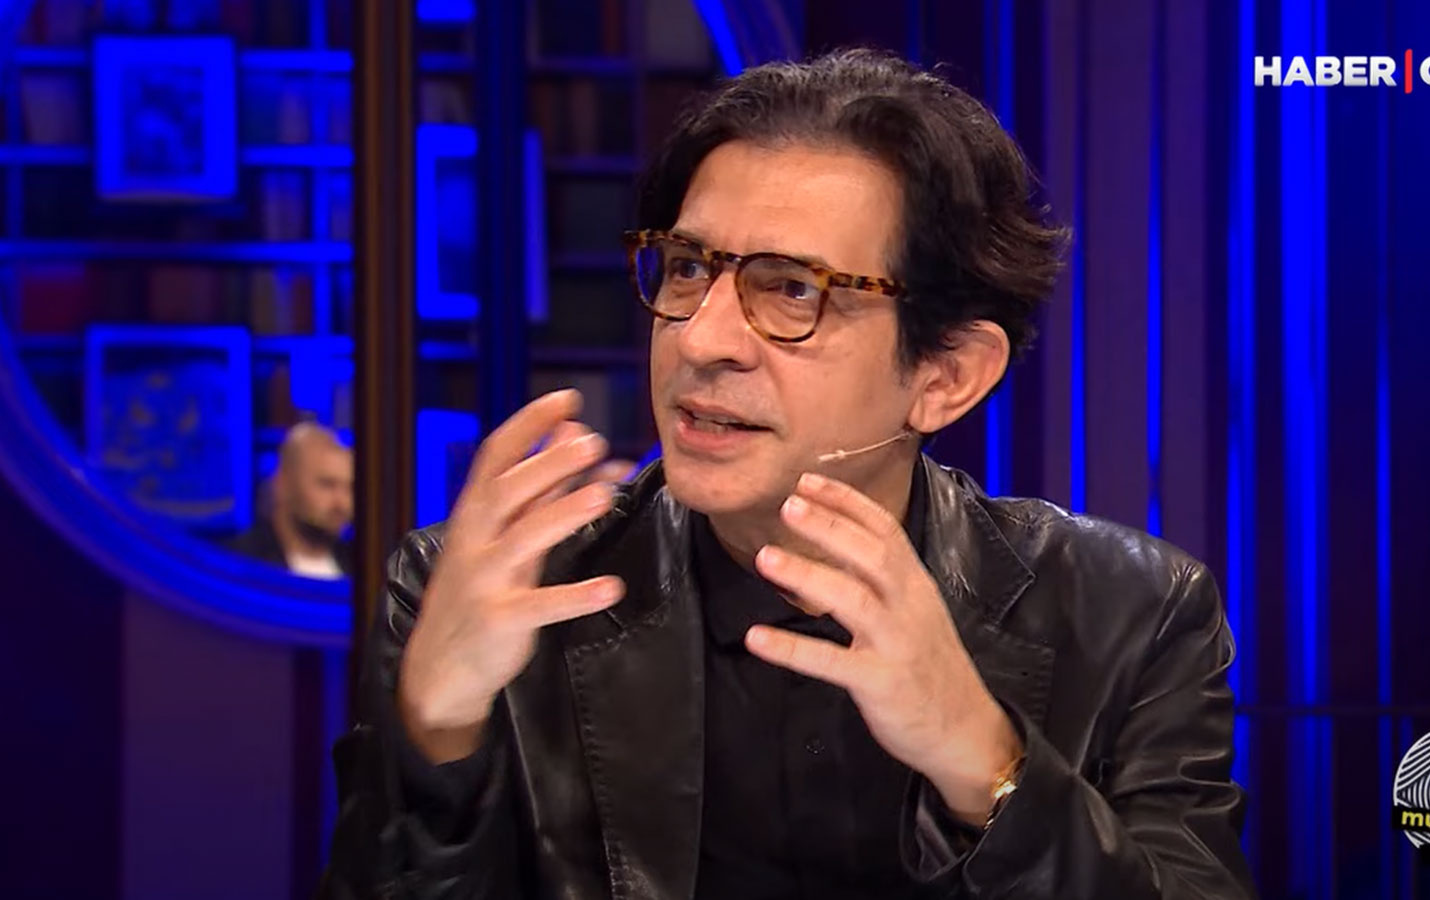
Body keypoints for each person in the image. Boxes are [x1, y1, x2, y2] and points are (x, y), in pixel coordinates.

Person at [320, 49, 1253, 899]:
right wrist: (436, 739)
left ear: (945, 375)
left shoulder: (1133, 615)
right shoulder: (494, 597)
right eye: (689, 269)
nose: (703, 339)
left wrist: (983, 759)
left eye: (792, 289)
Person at [232, 421, 354, 579]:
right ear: (282, 484)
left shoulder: (363, 565)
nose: (342, 503)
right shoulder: (238, 565)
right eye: (327, 485)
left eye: (350, 488)